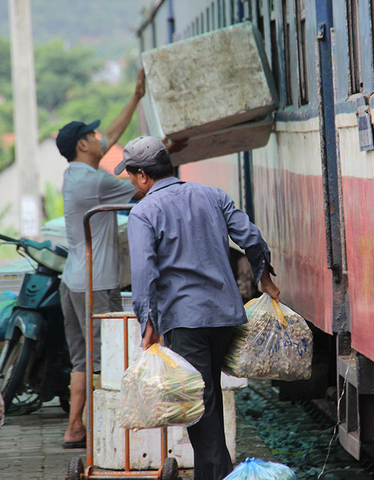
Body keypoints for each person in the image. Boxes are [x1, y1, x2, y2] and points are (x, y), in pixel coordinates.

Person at [114, 136, 281, 480]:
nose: (132, 183)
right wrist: (263, 277)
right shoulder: (212, 195)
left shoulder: (144, 212)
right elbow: (250, 236)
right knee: (209, 397)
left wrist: (147, 322)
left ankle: (220, 475)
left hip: (185, 320)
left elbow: (144, 271)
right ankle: (215, 472)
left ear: (143, 175)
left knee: (201, 408)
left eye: (131, 176)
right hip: (224, 316)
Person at [55, 69, 146, 449]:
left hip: (71, 281)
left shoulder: (76, 174)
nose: (99, 138)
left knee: (81, 360)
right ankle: (106, 435)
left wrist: (136, 96)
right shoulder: (97, 182)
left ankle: (75, 428)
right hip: (97, 282)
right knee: (105, 359)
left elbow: (112, 134)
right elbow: (144, 184)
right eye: (92, 136)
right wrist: (171, 150)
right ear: (81, 145)